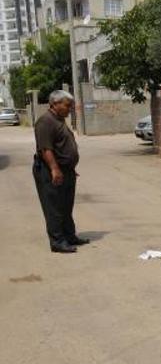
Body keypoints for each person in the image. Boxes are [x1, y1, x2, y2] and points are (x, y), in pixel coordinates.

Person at [32, 90, 89, 253]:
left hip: (66, 170)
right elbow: (46, 149)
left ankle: (70, 236)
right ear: (55, 104)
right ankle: (57, 241)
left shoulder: (59, 120)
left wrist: (69, 168)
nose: (70, 108)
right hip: (50, 170)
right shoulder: (45, 122)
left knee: (66, 206)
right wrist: (55, 169)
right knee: (54, 207)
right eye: (67, 105)